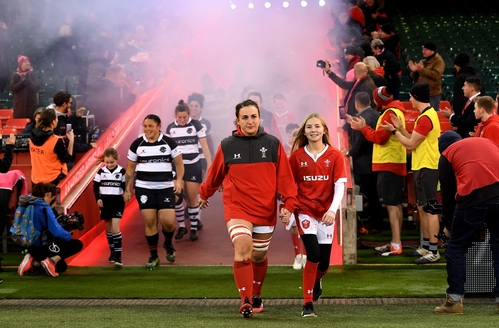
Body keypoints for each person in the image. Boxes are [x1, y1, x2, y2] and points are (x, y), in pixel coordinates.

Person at [199, 99, 298, 318]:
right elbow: (215, 174)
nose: (250, 121)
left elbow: (285, 177)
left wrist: (288, 204)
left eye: (253, 116)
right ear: (237, 121)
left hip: (265, 210)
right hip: (237, 208)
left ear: (259, 118)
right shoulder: (227, 145)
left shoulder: (273, 143)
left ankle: (256, 294)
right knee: (243, 247)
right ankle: (245, 301)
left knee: (259, 256)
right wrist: (205, 193)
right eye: (245, 117)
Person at [289, 113, 347, 317]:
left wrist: (332, 210)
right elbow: (289, 186)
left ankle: (316, 279)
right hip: (304, 210)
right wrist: (287, 208)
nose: (313, 130)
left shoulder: (335, 155)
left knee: (323, 263)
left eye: (317, 126)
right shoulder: (296, 157)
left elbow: (340, 185)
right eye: (309, 127)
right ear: (304, 132)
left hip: (326, 214)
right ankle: (307, 305)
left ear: (324, 130)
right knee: (312, 254)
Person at [435, 132, 499, 315]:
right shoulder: (486, 141)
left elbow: (447, 194)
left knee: (456, 247)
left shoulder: (447, 154)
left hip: (475, 197)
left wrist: (448, 224)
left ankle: (454, 302)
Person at [380, 83, 441, 264]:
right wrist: (399, 128)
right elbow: (413, 139)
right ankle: (426, 246)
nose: (409, 100)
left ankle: (433, 250)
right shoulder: (426, 116)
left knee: (429, 210)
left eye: (411, 97)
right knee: (422, 208)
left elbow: (409, 145)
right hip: (422, 166)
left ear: (416, 96)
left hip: (427, 167)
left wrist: (393, 132)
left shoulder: (425, 118)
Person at [351, 86, 407, 255]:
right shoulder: (396, 110)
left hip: (388, 162)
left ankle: (396, 244)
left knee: (391, 205)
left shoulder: (390, 113)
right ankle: (395, 242)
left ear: (377, 100)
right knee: (395, 204)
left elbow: (379, 138)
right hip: (395, 161)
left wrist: (363, 128)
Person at [125, 114, 184, 269]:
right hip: (144, 188)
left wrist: (178, 181)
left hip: (165, 187)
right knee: (150, 222)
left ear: (159, 126)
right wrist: (127, 189)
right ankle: (153, 256)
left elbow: (179, 164)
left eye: (151, 126)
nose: (147, 129)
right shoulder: (137, 144)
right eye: (145, 126)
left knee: (168, 223)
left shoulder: (169, 142)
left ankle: (168, 243)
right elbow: (130, 168)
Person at [165, 100, 211, 242]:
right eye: (180, 117)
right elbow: (168, 150)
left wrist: (210, 164)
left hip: (193, 165)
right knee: (176, 197)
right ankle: (181, 226)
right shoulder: (170, 128)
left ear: (188, 115)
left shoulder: (197, 125)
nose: (182, 120)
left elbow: (204, 146)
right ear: (175, 116)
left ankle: (193, 229)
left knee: (192, 198)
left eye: (185, 117)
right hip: (176, 166)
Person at [17, 182, 83, 277]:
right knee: (77, 244)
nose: (52, 200)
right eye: (52, 198)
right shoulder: (43, 207)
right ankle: (49, 261)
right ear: (48, 194)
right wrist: (68, 234)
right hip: (40, 245)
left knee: (61, 267)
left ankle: (33, 260)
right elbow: (56, 232)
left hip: (26, 245)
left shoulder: (25, 204)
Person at [344, 92, 382, 234]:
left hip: (364, 162)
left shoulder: (362, 119)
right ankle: (377, 224)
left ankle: (375, 225)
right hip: (375, 158)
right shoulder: (376, 114)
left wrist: (349, 152)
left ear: (356, 104)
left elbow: (360, 139)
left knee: (370, 195)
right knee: (374, 194)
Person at [93, 147, 126, 266]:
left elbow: (126, 186)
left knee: (116, 229)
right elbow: (95, 187)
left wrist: (127, 193)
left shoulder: (122, 172)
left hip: (117, 202)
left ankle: (118, 255)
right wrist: (98, 199)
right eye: (107, 162)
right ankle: (112, 252)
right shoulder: (101, 172)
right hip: (105, 202)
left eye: (112, 162)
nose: (109, 164)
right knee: (108, 229)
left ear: (117, 160)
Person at [29, 107, 74, 186]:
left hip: (35, 181)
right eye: (56, 118)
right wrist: (71, 141)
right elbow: (67, 159)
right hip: (52, 181)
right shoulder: (56, 141)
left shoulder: (31, 138)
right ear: (53, 122)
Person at [408, 42, 445, 111]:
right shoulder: (423, 61)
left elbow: (436, 75)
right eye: (423, 49)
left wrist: (422, 70)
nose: (423, 51)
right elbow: (416, 79)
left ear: (432, 50)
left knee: (433, 113)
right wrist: (415, 71)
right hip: (421, 93)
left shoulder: (439, 61)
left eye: (426, 50)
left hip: (432, 93)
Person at [10, 55, 40, 119]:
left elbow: (36, 88)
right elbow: (13, 88)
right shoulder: (16, 75)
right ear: (21, 64)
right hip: (19, 108)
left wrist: (29, 81)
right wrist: (23, 82)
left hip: (31, 107)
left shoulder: (33, 75)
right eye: (25, 62)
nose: (28, 63)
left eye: (28, 61)